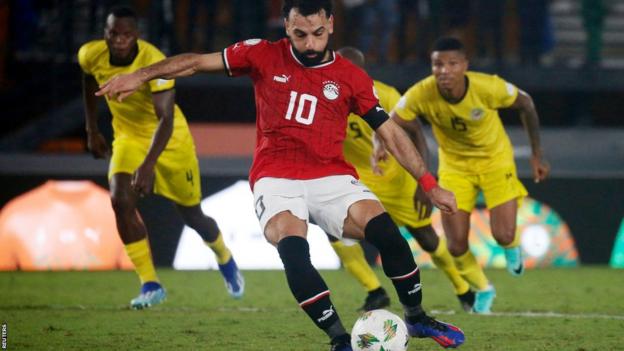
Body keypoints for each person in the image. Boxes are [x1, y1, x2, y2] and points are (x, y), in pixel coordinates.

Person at [95, 2, 465, 350]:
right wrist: (139, 75)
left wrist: (429, 184)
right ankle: (339, 339)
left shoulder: (350, 77)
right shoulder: (261, 53)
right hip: (276, 177)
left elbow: (390, 132)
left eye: (318, 33)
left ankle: (416, 318)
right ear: (287, 25)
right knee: (294, 249)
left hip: (331, 175)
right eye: (300, 34)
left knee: (387, 234)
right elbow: (194, 63)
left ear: (331, 25)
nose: (309, 43)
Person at [78, 6, 244, 310]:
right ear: (105, 33)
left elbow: (165, 118)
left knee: (192, 216)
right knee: (120, 201)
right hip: (127, 138)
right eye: (114, 33)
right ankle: (150, 284)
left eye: (127, 34)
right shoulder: (90, 54)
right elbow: (89, 82)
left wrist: (148, 164)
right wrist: (91, 130)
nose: (119, 40)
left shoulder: (153, 61)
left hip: (171, 142)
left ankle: (224, 256)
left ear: (137, 35)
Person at [386, 37, 550, 314]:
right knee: (456, 243)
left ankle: (511, 246)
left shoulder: (488, 87)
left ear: (465, 65)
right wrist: (380, 145)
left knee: (502, 234)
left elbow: (527, 103)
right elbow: (391, 121)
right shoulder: (421, 93)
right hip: (455, 168)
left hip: (495, 162)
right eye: (438, 64)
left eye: (452, 63)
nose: (444, 70)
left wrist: (536, 154)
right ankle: (483, 289)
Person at [334, 46, 475, 313]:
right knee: (333, 230)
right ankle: (374, 291)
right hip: (356, 180)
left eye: (348, 68)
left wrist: (425, 183)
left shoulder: (384, 94)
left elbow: (415, 132)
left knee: (426, 238)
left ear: (361, 71)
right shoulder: (324, 95)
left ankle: (463, 288)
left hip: (396, 180)